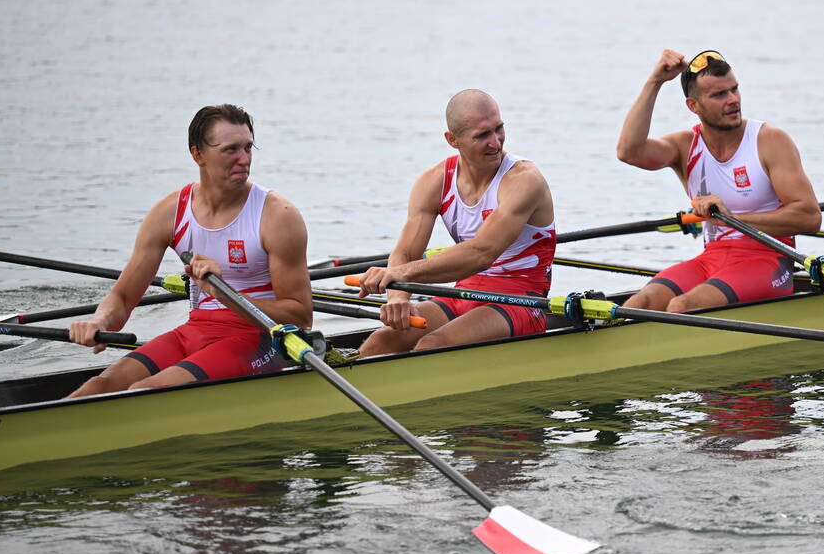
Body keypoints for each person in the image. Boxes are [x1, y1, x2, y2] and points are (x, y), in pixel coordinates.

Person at [67, 104, 312, 397]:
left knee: (143, 391)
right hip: (194, 331)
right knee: (100, 387)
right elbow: (122, 297)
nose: (244, 159)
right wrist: (99, 321)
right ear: (198, 155)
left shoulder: (277, 216)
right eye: (230, 149)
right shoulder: (168, 213)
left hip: (258, 339)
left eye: (248, 148)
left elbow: (300, 317)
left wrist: (224, 294)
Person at [615, 49, 821, 312]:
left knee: (681, 306)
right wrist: (654, 82)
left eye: (734, 90)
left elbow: (810, 217)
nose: (733, 100)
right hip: (711, 258)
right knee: (637, 305)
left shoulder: (769, 141)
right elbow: (628, 152)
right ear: (694, 106)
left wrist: (730, 217)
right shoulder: (684, 146)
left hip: (768, 260)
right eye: (719, 95)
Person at [356, 89, 556, 356]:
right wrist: (398, 297)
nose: (496, 142)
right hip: (465, 294)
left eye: (499, 129)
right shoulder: (434, 181)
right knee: (380, 342)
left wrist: (399, 274)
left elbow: (481, 253)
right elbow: (405, 252)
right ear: (452, 140)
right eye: (482, 135)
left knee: (432, 346)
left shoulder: (523, 180)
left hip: (520, 301)